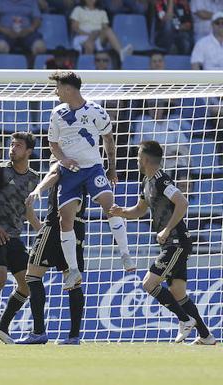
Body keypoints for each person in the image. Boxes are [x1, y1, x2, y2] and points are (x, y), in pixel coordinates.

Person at [110, 140, 216, 345]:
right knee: (178, 292)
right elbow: (140, 210)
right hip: (172, 243)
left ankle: (185, 320)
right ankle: (206, 336)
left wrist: (167, 229)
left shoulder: (161, 180)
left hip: (176, 241)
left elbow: (182, 202)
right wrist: (121, 211)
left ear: (146, 158)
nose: (136, 159)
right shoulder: (146, 181)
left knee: (149, 283)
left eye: (138, 156)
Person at [47, 71, 135, 291]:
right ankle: (73, 271)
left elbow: (108, 139)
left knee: (111, 206)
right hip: (70, 173)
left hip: (93, 169)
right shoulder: (57, 113)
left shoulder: (96, 111)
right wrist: (63, 159)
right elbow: (53, 144)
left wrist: (112, 168)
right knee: (64, 221)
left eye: (57, 87)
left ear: (68, 88)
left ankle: (125, 254)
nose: (55, 92)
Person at [0, 132, 41, 344]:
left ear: (28, 151)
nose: (12, 148)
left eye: (18, 145)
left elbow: (28, 211)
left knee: (27, 285)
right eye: (12, 145)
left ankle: (1, 327)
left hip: (13, 235)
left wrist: (42, 230)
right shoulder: (0, 171)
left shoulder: (33, 178)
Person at [17, 161, 87, 345]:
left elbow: (54, 174)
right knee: (73, 280)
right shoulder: (85, 165)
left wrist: (38, 189)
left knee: (32, 276)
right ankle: (74, 336)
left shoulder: (62, 162)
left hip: (56, 225)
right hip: (78, 227)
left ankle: (39, 332)